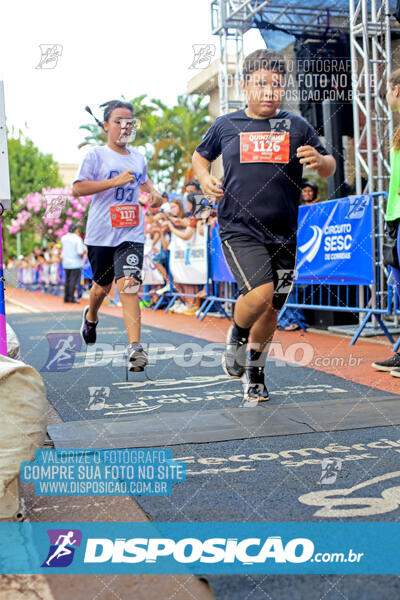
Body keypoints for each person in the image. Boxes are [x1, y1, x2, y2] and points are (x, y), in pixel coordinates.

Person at [192, 49, 336, 404]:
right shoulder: (226, 125)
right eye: (262, 84)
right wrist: (204, 177)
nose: (270, 91)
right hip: (239, 227)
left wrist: (320, 161)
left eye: (277, 84)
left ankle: (255, 371)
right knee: (259, 294)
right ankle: (237, 335)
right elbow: (200, 156)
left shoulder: (297, 125)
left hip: (285, 233)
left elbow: (329, 165)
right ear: (245, 85)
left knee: (273, 307)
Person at [72, 100, 163, 371]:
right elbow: (77, 189)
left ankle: (135, 348)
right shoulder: (95, 156)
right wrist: (113, 182)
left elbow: (143, 180)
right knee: (101, 288)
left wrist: (154, 193)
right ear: (105, 126)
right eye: (118, 121)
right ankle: (91, 316)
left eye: (129, 122)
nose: (125, 126)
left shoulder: (138, 158)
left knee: (129, 286)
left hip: (131, 232)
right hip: (101, 235)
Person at [371, 70, 400, 378]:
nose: (386, 97)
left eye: (387, 91)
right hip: (395, 216)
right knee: (399, 285)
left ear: (397, 90)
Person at [60, 224, 85, 303]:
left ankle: (66, 297)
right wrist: (83, 255)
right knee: (73, 281)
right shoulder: (77, 239)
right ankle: (71, 298)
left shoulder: (63, 238)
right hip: (75, 263)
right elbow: (80, 252)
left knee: (67, 280)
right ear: (75, 230)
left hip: (66, 262)